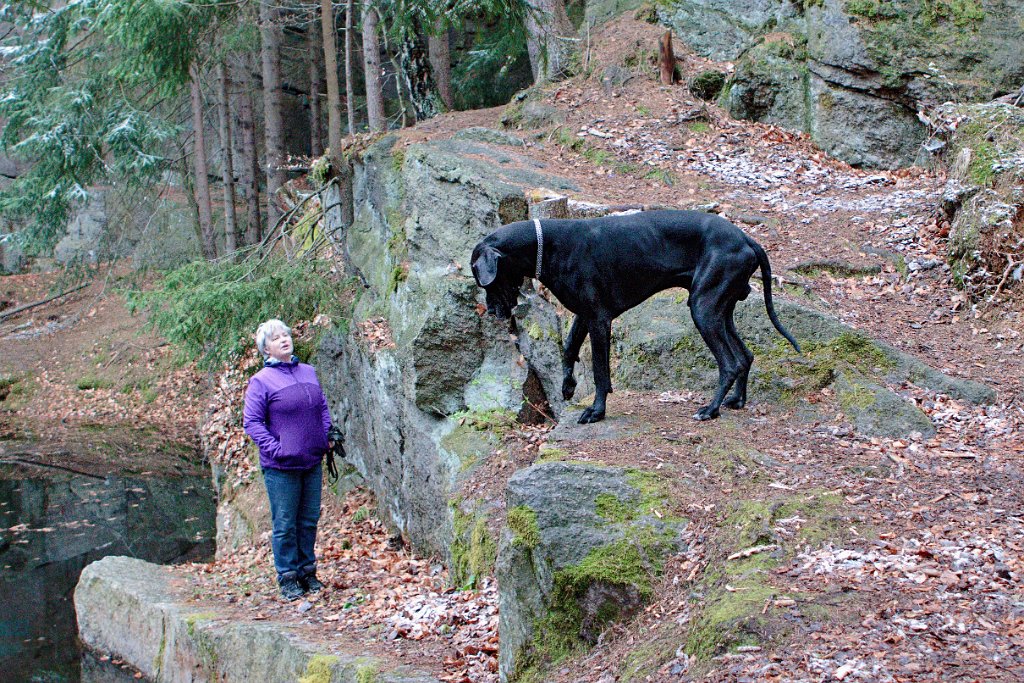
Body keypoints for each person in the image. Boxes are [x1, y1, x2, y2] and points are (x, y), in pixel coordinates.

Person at [243, 319, 332, 601]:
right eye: (276, 338)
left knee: (308, 520)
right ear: (265, 349)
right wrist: (277, 449)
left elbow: (322, 408)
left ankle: (308, 572)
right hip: (281, 467)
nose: (284, 340)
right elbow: (252, 422)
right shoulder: (261, 382)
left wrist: (329, 434)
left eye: (286, 335)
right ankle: (288, 577)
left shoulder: (308, 371)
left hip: (311, 460)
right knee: (285, 523)